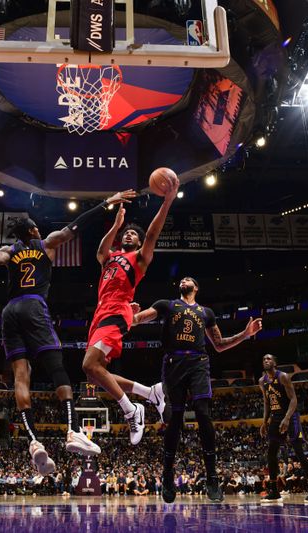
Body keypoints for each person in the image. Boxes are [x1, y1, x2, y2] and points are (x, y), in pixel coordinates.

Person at [0, 190, 136, 473]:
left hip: (9, 311)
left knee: (21, 375)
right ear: (33, 230)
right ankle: (72, 432)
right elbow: (78, 224)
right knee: (56, 365)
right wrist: (107, 203)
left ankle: (34, 442)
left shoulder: (8, 251)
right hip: (34, 306)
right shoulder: (47, 243)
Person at [131, 276, 262, 502]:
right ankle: (168, 475)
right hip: (174, 363)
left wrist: (245, 334)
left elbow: (219, 345)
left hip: (199, 363)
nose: (184, 280)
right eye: (182, 279)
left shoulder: (206, 312)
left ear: (196, 288)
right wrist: (131, 315)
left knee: (203, 414)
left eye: (189, 279)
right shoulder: (168, 305)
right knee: (175, 419)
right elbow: (138, 319)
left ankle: (212, 477)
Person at [81, 176, 180, 446]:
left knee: (88, 364)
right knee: (94, 371)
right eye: (127, 233)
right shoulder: (111, 257)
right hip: (100, 315)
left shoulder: (139, 259)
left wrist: (168, 201)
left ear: (138, 244)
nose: (129, 235)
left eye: (132, 234)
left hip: (118, 311)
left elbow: (152, 234)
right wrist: (116, 224)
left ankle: (131, 410)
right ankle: (150, 393)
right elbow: (101, 251)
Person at [259, 354, 308, 503]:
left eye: (269, 359)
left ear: (274, 362)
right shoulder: (262, 381)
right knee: (271, 453)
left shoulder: (283, 377)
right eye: (264, 359)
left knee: (298, 452)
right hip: (275, 416)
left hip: (290, 415)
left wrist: (287, 418)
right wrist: (264, 422)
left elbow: (294, 399)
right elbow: (267, 403)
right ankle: (274, 491)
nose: (266, 361)